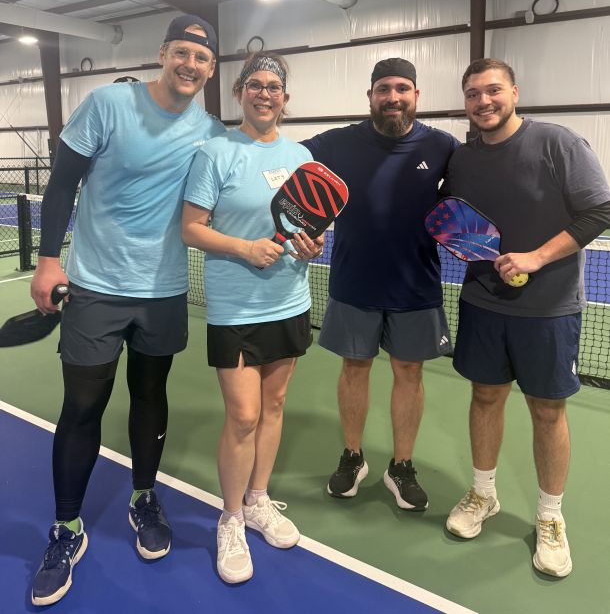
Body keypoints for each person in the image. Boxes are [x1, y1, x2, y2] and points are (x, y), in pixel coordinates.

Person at [29, 14, 225, 606]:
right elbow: (62, 183)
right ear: (163, 54)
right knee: (82, 406)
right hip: (94, 286)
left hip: (163, 291)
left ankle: (144, 497)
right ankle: (66, 527)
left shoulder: (210, 131)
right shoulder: (108, 104)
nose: (190, 64)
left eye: (202, 57)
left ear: (211, 69)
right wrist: (48, 260)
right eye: (182, 52)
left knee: (150, 395)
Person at [443, 57, 610, 577]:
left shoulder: (558, 143)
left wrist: (536, 257)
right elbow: (451, 215)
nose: (484, 101)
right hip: (483, 302)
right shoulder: (463, 159)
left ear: (514, 92)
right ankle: (483, 493)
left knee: (547, 412)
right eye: (473, 94)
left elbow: (601, 210)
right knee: (485, 397)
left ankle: (550, 516)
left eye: (493, 90)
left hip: (550, 309)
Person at [182, 52, 322, 584]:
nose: (265, 94)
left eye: (274, 87)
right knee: (243, 415)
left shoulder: (301, 155)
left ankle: (258, 499)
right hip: (236, 307)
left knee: (275, 405)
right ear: (240, 92)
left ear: (285, 99)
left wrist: (312, 246)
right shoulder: (215, 152)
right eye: (256, 85)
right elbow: (191, 228)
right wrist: (244, 248)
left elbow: (310, 225)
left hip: (290, 301)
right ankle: (232, 517)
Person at [301, 58, 459, 510]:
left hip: (416, 284)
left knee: (410, 373)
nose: (393, 97)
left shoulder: (442, 145)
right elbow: (281, 161)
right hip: (355, 281)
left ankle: (401, 465)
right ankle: (352, 457)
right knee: (355, 369)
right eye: (384, 89)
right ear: (370, 95)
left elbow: (469, 194)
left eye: (402, 88)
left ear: (416, 96)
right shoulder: (336, 142)